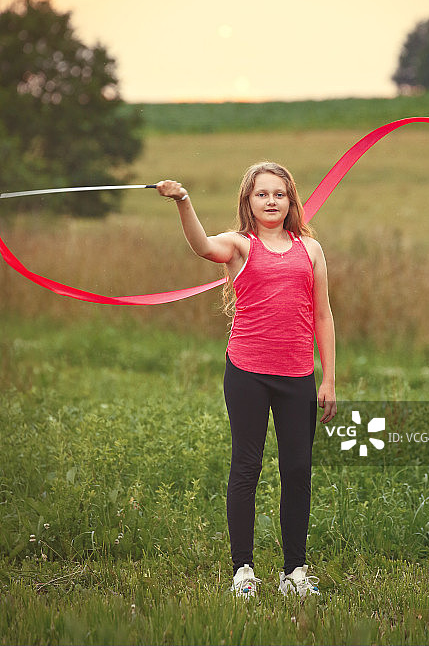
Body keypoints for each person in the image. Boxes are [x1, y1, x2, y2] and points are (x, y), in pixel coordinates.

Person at [157, 162, 337, 599]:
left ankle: (294, 572)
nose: (271, 201)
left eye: (279, 193)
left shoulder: (311, 250)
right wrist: (184, 201)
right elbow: (201, 246)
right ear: (248, 201)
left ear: (291, 200)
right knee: (247, 468)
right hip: (248, 373)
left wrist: (328, 377)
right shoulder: (238, 245)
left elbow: (323, 315)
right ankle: (243, 571)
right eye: (262, 194)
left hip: (297, 376)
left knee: (298, 471)